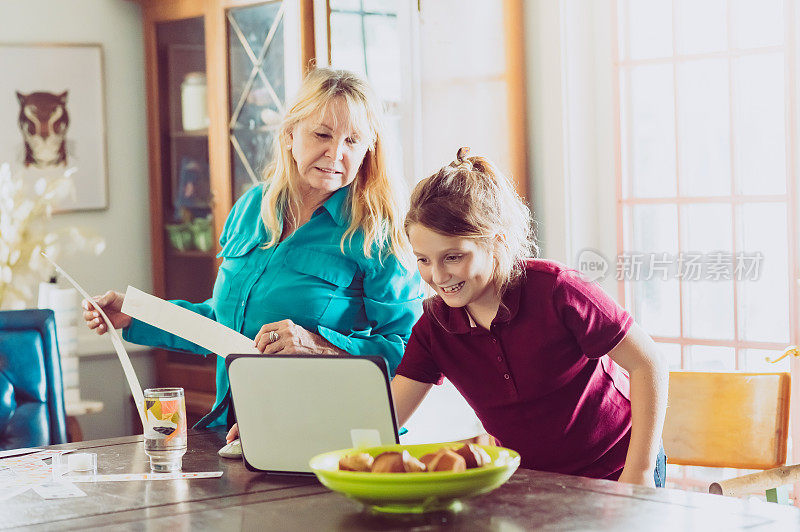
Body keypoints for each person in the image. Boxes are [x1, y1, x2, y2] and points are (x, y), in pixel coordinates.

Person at [83, 68, 424, 433]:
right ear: (291, 134)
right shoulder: (251, 208)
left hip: (324, 434)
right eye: (322, 134)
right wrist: (136, 314)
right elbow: (225, 322)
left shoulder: (379, 232)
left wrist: (317, 345)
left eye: (353, 141)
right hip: (234, 429)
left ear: (369, 148)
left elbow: (411, 353)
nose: (336, 153)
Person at [389, 147, 668, 487]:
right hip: (536, 482)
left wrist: (638, 471)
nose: (437, 275)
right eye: (423, 260)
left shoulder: (558, 289)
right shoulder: (434, 327)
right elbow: (386, 419)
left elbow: (648, 362)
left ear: (497, 242)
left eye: (452, 257)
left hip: (620, 467)